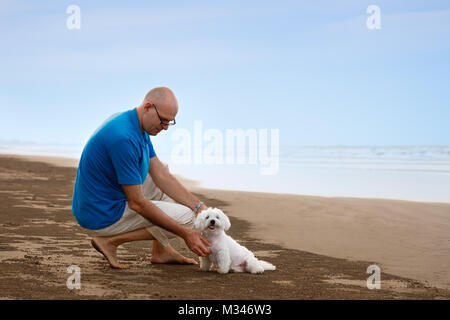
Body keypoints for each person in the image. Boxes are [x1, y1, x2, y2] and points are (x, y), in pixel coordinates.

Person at [72, 87, 211, 269]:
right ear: (147, 107)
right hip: (100, 214)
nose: (166, 128)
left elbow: (160, 175)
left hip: (103, 199)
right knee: (189, 219)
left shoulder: (135, 123)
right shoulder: (124, 139)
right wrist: (186, 234)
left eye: (170, 122)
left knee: (163, 173)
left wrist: (199, 205)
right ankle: (111, 241)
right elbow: (137, 203)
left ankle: (162, 251)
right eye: (163, 121)